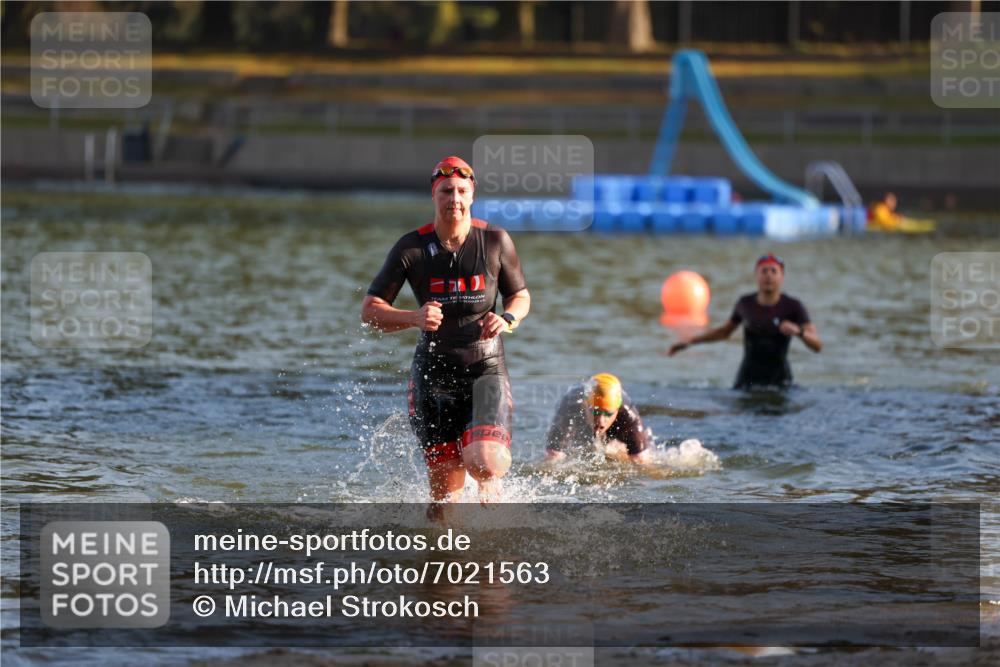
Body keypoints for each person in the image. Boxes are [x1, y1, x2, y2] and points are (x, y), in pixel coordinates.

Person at [361, 156, 531, 507]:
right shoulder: (411, 248)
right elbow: (370, 311)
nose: (454, 198)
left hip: (486, 369)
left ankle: (493, 512)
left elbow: (520, 295)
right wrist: (414, 317)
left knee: (485, 464)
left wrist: (508, 318)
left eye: (461, 191)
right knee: (445, 500)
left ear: (472, 196)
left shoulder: (495, 240)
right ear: (433, 195)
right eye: (446, 191)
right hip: (434, 374)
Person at [668, 254, 821, 389]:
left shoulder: (793, 306)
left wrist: (799, 332)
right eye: (764, 271)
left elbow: (817, 345)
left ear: (782, 276)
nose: (768, 275)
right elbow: (723, 333)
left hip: (780, 381)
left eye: (774, 271)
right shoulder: (745, 304)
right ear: (756, 275)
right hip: (747, 381)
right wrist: (690, 341)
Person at [545, 373, 651, 464]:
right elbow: (553, 457)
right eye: (596, 412)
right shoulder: (570, 408)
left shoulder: (628, 415)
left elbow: (641, 463)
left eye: (608, 414)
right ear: (586, 405)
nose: (601, 421)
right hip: (582, 418)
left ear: (617, 410)